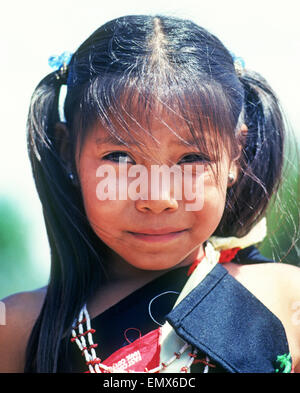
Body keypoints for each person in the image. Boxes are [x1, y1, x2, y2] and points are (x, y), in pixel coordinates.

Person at [0, 14, 299, 374]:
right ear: (68, 153)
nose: (157, 197)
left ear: (235, 155)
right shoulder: (18, 327)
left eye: (192, 158)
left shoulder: (286, 300)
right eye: (121, 158)